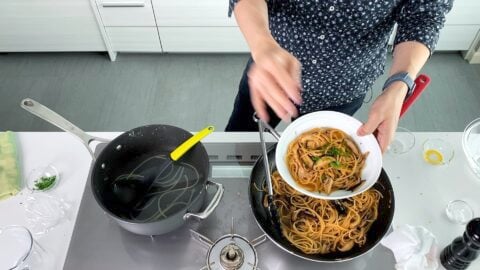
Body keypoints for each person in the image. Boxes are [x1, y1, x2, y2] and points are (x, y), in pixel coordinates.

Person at [225, 0, 453, 152]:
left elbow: (425, 16)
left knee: (318, 162)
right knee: (239, 147)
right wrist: (262, 44)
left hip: (344, 87)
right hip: (271, 73)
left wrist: (399, 83)